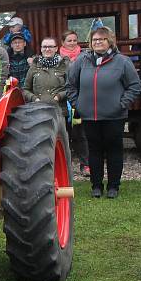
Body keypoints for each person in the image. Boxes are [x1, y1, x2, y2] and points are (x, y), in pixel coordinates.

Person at [66, 26, 141, 198]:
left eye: (102, 39)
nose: (98, 42)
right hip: (89, 116)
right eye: (95, 40)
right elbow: (70, 85)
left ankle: (114, 186)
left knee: (114, 150)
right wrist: (77, 103)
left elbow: (135, 86)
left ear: (110, 42)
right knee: (94, 150)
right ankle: (96, 186)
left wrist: (122, 103)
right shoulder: (82, 61)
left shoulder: (122, 61)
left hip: (114, 116)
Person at [60, 29, 89, 176]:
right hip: (63, 103)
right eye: (69, 40)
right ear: (63, 42)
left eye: (74, 40)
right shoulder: (57, 58)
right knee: (64, 135)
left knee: (80, 133)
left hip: (78, 101)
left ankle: (85, 165)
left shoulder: (85, 57)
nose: (72, 43)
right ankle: (65, 167)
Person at [22, 36, 69, 117]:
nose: (47, 49)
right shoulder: (34, 66)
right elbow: (25, 90)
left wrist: (58, 97)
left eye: (50, 46)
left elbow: (71, 88)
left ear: (56, 48)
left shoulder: (64, 65)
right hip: (38, 112)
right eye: (44, 47)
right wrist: (35, 99)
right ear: (41, 49)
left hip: (59, 112)